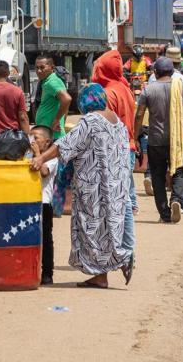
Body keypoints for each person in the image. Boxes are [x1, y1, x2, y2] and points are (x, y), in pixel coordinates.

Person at [31, 84, 134, 289]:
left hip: (94, 186)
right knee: (106, 230)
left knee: (91, 230)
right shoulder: (117, 121)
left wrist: (41, 157)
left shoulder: (91, 120)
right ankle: (101, 275)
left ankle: (120, 260)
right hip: (115, 186)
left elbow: (64, 145)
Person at [134, 57, 183, 224]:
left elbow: (139, 114)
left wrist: (135, 137)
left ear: (155, 72)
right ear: (172, 72)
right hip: (177, 140)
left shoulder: (148, 90)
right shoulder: (182, 87)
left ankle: (164, 214)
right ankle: (176, 199)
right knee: (179, 171)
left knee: (157, 176)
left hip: (155, 140)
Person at [92, 49, 138, 241]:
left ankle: (126, 245)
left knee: (120, 198)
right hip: (128, 145)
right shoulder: (123, 87)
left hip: (115, 149)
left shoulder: (108, 93)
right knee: (124, 195)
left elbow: (104, 125)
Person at [30, 125, 59, 285]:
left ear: (47, 142)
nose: (32, 141)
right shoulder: (28, 155)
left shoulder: (52, 158)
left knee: (46, 240)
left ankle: (47, 273)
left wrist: (37, 154)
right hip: (28, 203)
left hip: (43, 204)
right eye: (30, 137)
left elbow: (44, 172)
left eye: (36, 138)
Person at [34, 55, 72, 138]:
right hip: (49, 134)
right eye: (36, 68)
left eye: (42, 67)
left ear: (52, 67)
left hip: (52, 136)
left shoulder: (52, 82)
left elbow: (67, 99)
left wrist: (56, 120)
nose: (39, 71)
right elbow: (64, 105)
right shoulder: (48, 80)